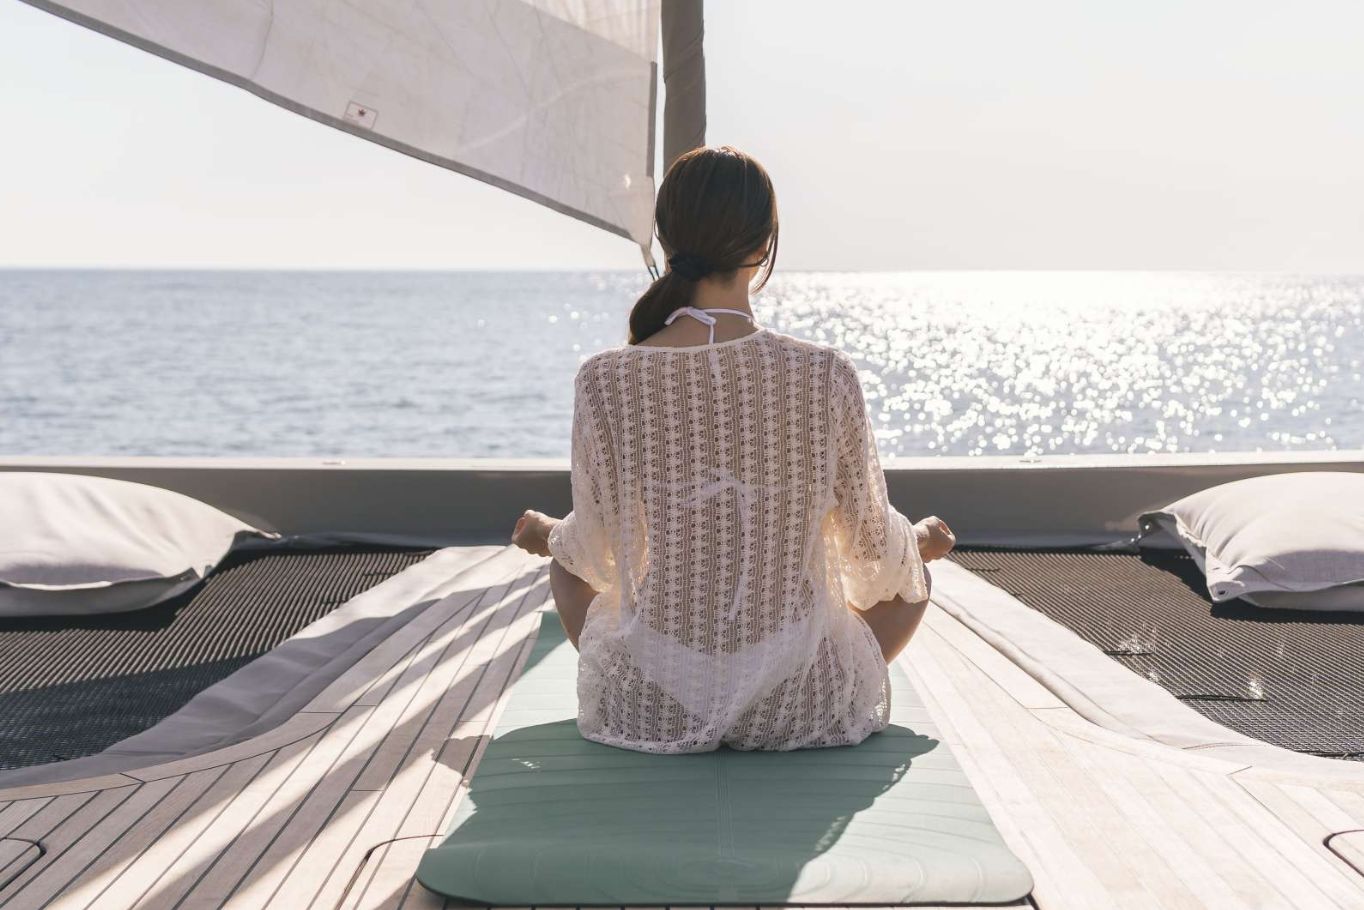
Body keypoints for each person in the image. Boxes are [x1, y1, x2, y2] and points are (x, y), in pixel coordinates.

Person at [511, 145, 956, 754]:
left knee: (567, 561)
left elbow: (596, 547)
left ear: (667, 241)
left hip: (651, 703)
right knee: (912, 577)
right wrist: (921, 542)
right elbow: (873, 553)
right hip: (802, 702)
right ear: (763, 245)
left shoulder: (605, 379)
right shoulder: (826, 374)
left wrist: (547, 536)